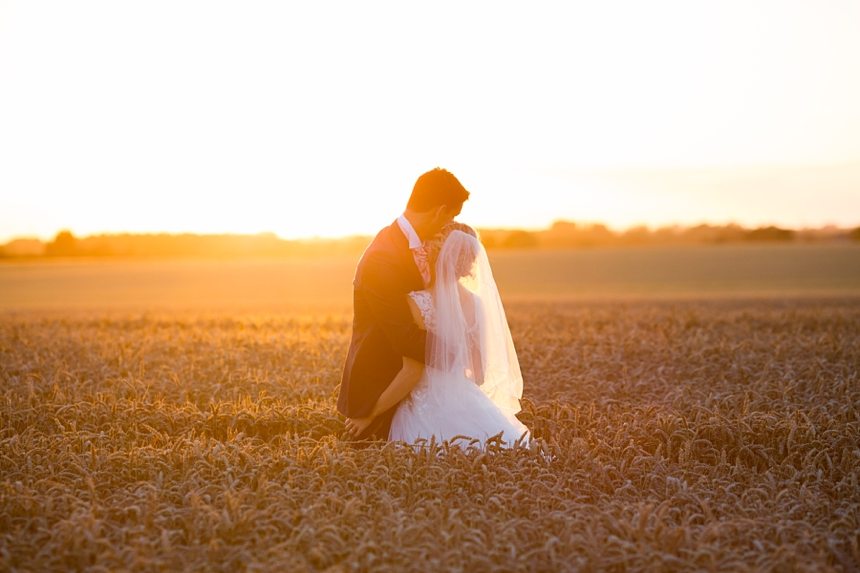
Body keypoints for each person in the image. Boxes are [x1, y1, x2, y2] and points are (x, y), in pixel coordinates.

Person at [344, 223, 531, 449]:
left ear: (435, 253)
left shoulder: (418, 301)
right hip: (466, 400)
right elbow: (479, 374)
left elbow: (412, 372)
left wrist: (369, 414)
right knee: (495, 450)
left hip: (420, 406)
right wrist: (456, 391)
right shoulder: (476, 304)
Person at [337, 168, 469, 441]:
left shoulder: (415, 247)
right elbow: (405, 338)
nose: (449, 226)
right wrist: (457, 352)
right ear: (439, 211)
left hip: (415, 386)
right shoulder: (382, 259)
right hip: (380, 391)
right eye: (451, 217)